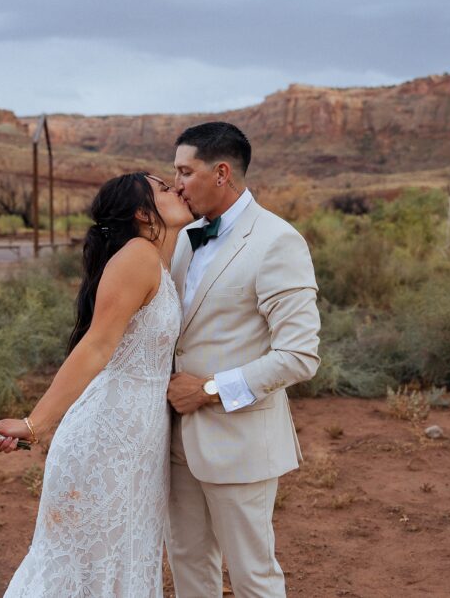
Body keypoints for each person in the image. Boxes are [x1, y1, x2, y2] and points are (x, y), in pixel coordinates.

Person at [0, 171, 192, 596]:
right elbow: (96, 347)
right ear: (141, 211)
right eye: (165, 188)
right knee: (86, 561)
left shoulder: (156, 258)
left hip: (139, 437)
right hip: (107, 435)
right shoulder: (138, 256)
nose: (177, 188)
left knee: (122, 555)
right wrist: (34, 424)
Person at [165, 121, 321, 597]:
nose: (176, 184)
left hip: (239, 440)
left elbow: (299, 355)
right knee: (189, 565)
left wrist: (209, 389)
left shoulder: (277, 241)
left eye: (185, 171)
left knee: (253, 575)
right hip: (173, 441)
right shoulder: (184, 237)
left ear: (221, 173)